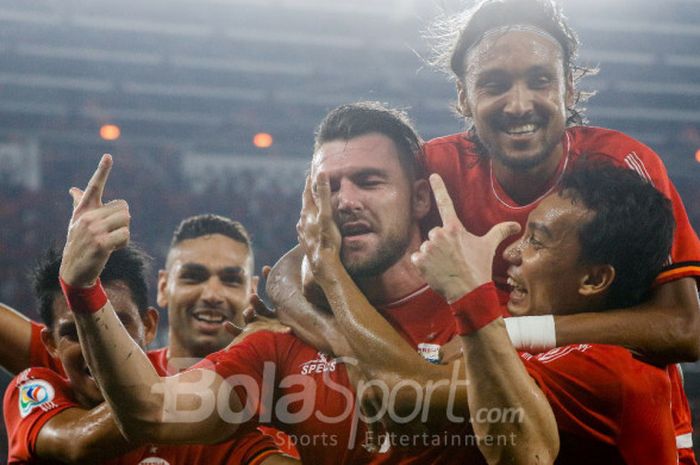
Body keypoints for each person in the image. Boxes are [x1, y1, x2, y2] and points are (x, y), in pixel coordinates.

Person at [268, 0, 700, 459]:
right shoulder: (436, 169)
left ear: (569, 89)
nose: (518, 104)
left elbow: (683, 327)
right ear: (462, 96)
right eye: (494, 84)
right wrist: (337, 338)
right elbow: (294, 266)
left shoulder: (620, 165)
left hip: (591, 396)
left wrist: (511, 332)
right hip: (493, 396)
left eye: (540, 80)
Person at [56, 103, 558, 465]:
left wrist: (325, 278)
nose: (345, 201)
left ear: (421, 199)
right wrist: (83, 290)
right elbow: (148, 412)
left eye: (369, 181)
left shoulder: (487, 307)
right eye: (328, 186)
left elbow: (527, 454)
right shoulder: (281, 341)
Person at [299, 158, 679, 463]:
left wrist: (330, 270)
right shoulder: (528, 332)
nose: (512, 252)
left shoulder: (609, 373)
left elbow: (401, 396)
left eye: (536, 242)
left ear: (594, 280)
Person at [0, 213, 299, 458]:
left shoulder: (259, 408)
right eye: (193, 276)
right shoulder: (58, 375)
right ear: (164, 286)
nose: (212, 294)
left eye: (231, 279)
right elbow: (77, 440)